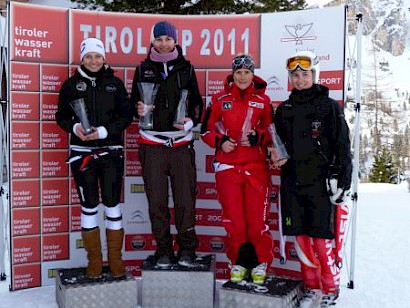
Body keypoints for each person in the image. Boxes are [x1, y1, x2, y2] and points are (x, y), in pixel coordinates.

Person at [273, 50, 352, 307]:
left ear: (314, 75)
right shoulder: (284, 109)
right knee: (301, 239)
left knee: (321, 239)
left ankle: (330, 289)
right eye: (295, 75)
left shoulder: (329, 107)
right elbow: (276, 145)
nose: (299, 79)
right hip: (292, 182)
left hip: (320, 184)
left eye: (305, 74)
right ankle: (311, 287)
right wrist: (274, 155)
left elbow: (342, 145)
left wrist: (343, 179)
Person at [57, 37, 134, 279]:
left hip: (111, 152)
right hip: (82, 155)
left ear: (104, 58)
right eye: (88, 56)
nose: (93, 60)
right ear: (82, 58)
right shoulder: (70, 85)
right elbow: (61, 117)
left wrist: (103, 132)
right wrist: (75, 127)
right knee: (89, 206)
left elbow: (126, 117)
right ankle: (94, 262)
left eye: (97, 56)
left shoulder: (115, 84)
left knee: (112, 204)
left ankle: (115, 260)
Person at [130, 21, 203, 268]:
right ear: (153, 42)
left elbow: (197, 104)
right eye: (159, 39)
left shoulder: (187, 68)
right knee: (157, 201)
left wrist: (191, 121)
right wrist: (137, 109)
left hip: (181, 145)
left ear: (175, 41)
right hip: (152, 145)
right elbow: (133, 105)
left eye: (168, 39)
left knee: (185, 200)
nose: (163, 43)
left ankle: (187, 249)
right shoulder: (143, 69)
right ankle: (163, 249)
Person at [200, 54, 274, 285]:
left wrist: (258, 138)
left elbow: (273, 134)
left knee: (256, 221)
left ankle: (260, 262)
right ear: (232, 74)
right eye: (238, 72)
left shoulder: (263, 101)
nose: (242, 77)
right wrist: (220, 141)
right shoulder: (220, 99)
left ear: (253, 75)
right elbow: (205, 131)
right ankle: (238, 262)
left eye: (247, 72)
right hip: (228, 167)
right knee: (233, 220)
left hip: (255, 168)